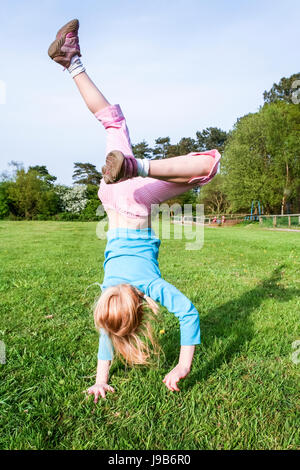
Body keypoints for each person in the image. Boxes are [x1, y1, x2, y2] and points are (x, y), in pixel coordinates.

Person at [48, 19, 221, 400]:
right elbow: (106, 336)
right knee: (111, 119)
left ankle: (137, 166)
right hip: (108, 197)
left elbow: (189, 314)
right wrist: (99, 378)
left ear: (139, 311)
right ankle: (70, 59)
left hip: (132, 201)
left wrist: (183, 364)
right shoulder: (109, 290)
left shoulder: (147, 288)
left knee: (208, 165)